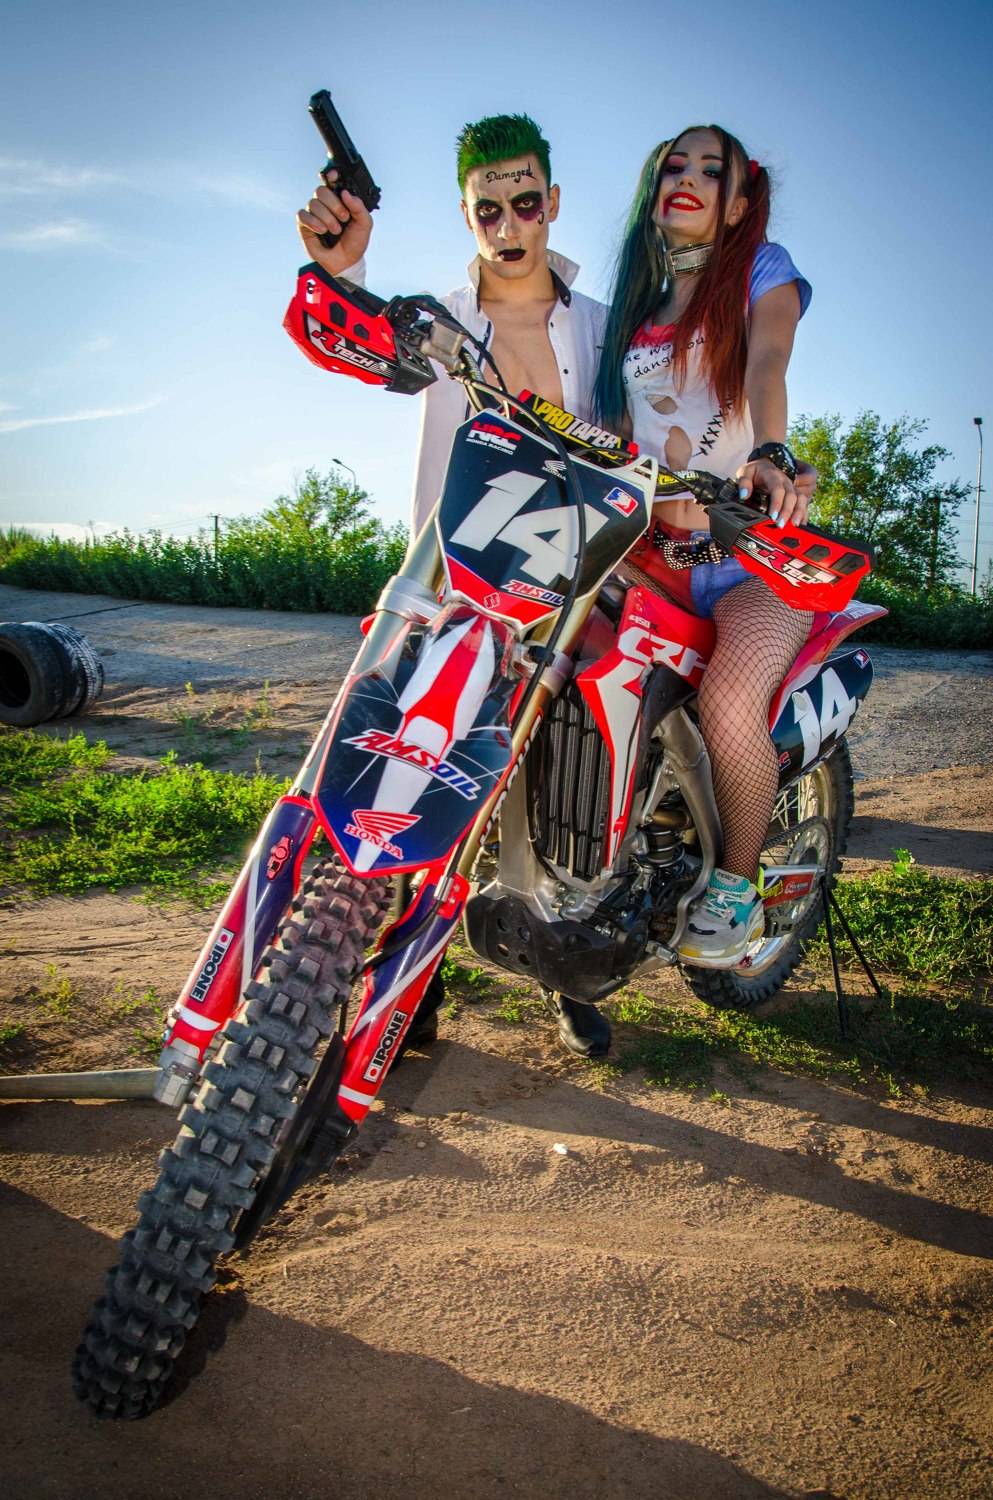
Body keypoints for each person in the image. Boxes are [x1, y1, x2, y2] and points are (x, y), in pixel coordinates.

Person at [296, 113, 612, 1057]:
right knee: (403, 772)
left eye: (525, 203)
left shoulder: (604, 329)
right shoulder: (434, 320)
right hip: (450, 593)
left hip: (566, 597)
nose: (508, 225)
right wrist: (339, 267)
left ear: (552, 202)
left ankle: (559, 968)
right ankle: (406, 989)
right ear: (465, 216)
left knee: (554, 790)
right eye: (487, 211)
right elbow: (353, 339)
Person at [594, 124, 816, 969]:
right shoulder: (635, 313)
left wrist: (771, 452)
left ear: (738, 202)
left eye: (709, 169)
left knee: (728, 699)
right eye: (672, 166)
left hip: (749, 556)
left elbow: (767, 363)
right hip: (663, 553)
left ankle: (735, 881)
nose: (684, 178)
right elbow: (616, 434)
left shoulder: (763, 270)